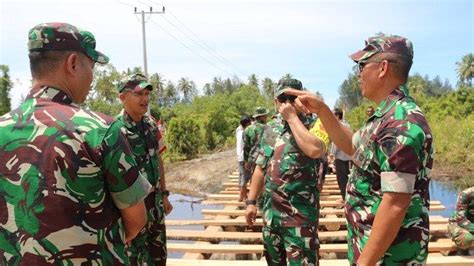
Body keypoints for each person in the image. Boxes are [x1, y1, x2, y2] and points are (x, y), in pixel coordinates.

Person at [0, 22, 151, 265]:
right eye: (91, 67)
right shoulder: (100, 130)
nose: (92, 78)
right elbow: (136, 220)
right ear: (73, 64)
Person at [284, 34, 434, 265]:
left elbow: (395, 203)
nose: (358, 74)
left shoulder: (400, 123)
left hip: (389, 257)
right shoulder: (383, 116)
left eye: (362, 65)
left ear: (383, 68)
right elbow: (352, 146)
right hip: (371, 250)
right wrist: (323, 110)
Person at [245, 78, 327, 265]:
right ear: (276, 102)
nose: (287, 104)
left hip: (299, 221)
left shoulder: (316, 124)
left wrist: (292, 118)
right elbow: (260, 166)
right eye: (283, 99)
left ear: (302, 99)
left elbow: (315, 149)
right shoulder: (270, 129)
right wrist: (250, 202)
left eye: (292, 98)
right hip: (271, 220)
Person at [116, 73, 173, 265]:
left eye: (148, 94)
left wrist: (164, 194)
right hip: (132, 213)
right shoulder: (115, 130)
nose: (145, 99)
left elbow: (158, 160)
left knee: (159, 258)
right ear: (122, 97)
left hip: (155, 208)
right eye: (139, 93)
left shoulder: (151, 125)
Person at [242, 106, 268, 200]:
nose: (266, 117)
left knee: (254, 177)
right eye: (265, 116)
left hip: (252, 158)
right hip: (265, 157)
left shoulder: (248, 129)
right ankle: (261, 199)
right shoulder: (268, 127)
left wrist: (246, 161)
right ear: (261, 117)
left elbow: (246, 147)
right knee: (265, 178)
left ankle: (254, 199)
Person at [329, 108, 352, 200]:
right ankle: (348, 196)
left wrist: (332, 153)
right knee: (346, 177)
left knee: (341, 179)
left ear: (337, 116)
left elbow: (336, 141)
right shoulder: (347, 125)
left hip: (339, 156)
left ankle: (345, 199)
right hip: (347, 155)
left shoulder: (337, 125)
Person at [236, 115, 252, 201]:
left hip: (241, 158)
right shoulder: (243, 132)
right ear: (247, 123)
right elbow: (243, 146)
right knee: (245, 177)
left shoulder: (240, 130)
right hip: (244, 158)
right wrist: (245, 159)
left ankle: (243, 195)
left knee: (242, 176)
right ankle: (242, 196)